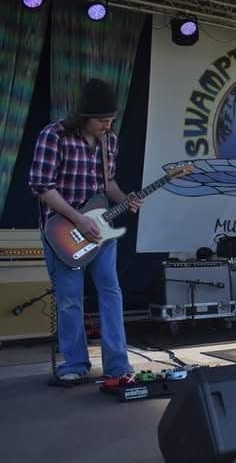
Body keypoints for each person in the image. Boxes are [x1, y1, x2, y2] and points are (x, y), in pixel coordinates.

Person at [28, 78, 142, 382]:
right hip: (63, 231)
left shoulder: (110, 141)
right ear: (84, 116)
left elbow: (108, 184)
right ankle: (75, 364)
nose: (107, 125)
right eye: (102, 120)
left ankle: (118, 366)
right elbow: (41, 186)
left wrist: (125, 198)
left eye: (111, 120)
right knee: (69, 299)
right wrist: (78, 219)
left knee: (111, 292)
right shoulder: (54, 135)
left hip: (102, 230)